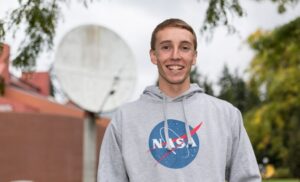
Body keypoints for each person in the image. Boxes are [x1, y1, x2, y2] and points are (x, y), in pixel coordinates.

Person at [97, 18, 261, 182]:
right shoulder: (125, 119)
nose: (175, 56)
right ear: (154, 55)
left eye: (184, 48)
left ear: (194, 57)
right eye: (166, 47)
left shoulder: (226, 115)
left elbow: (247, 178)